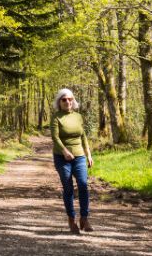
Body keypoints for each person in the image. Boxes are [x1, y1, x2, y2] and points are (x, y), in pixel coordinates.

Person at [50, 87, 93, 234]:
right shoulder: (56, 117)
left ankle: (85, 218)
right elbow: (55, 137)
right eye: (64, 99)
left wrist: (89, 154)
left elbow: (83, 136)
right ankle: (71, 219)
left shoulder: (78, 116)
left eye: (70, 99)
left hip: (79, 156)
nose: (67, 101)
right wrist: (65, 151)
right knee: (68, 188)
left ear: (73, 100)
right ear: (59, 102)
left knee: (83, 184)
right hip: (62, 157)